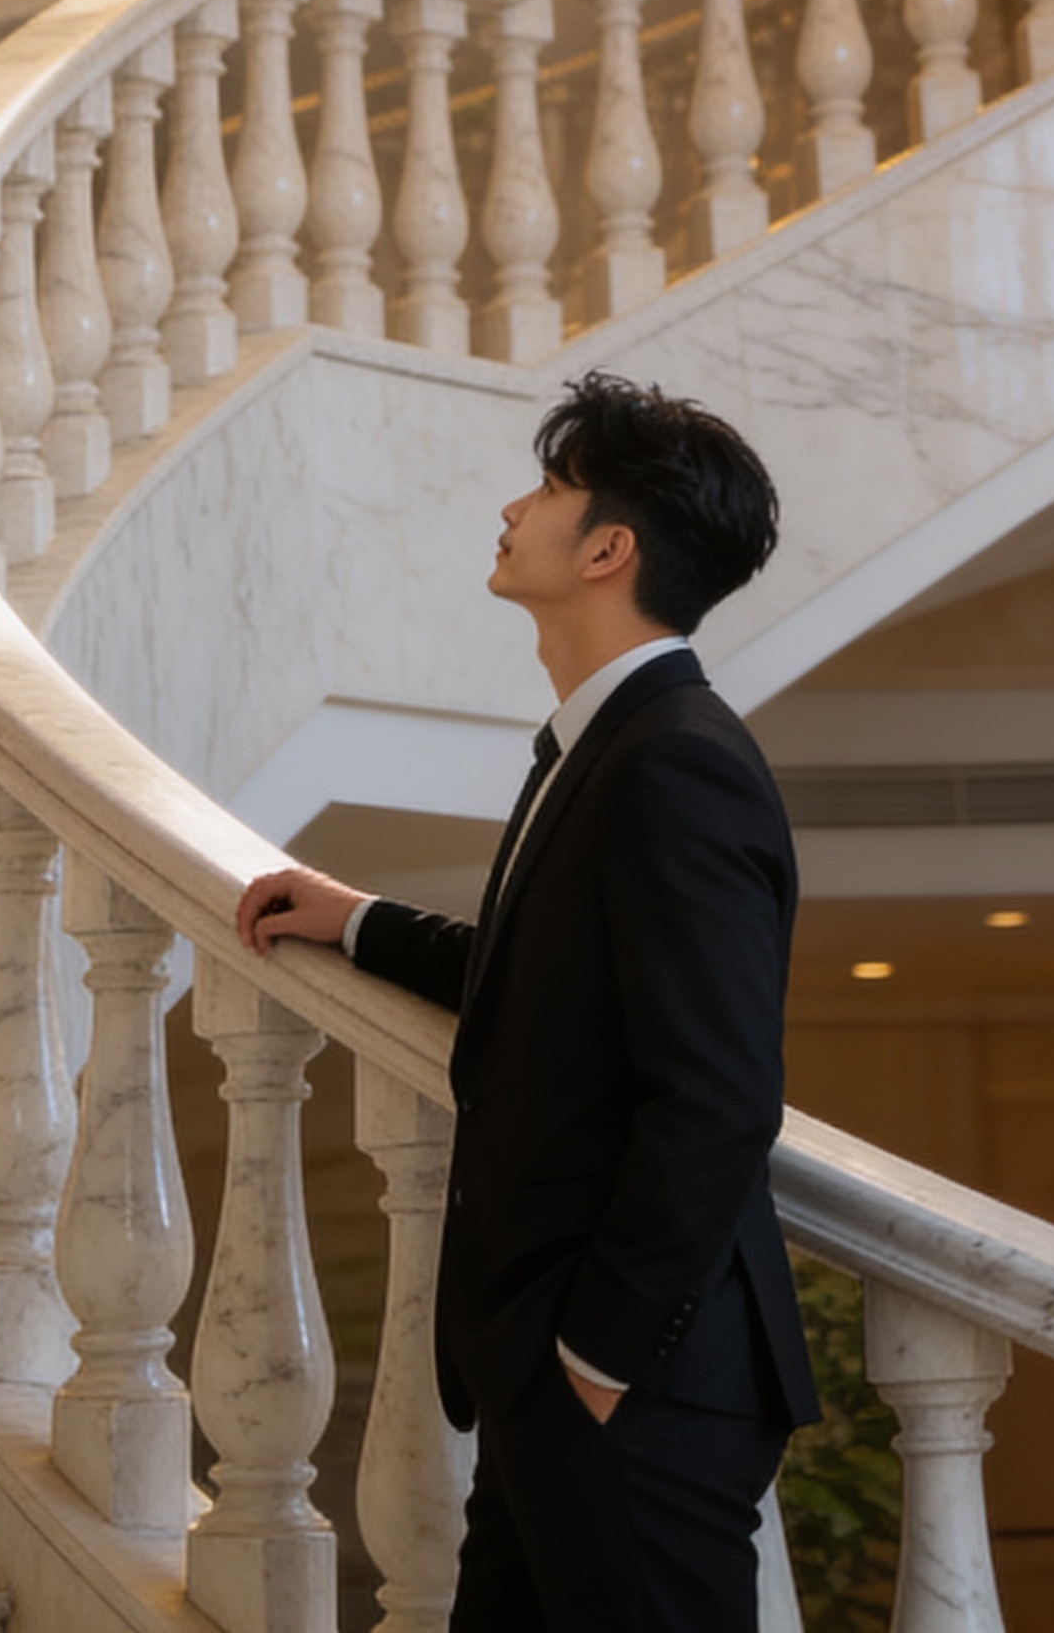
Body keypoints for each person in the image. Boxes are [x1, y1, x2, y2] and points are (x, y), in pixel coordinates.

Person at [235, 370, 815, 1633]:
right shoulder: (608, 744)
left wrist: (600, 1356)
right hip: (551, 1370)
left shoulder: (676, 764)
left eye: (549, 486)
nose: (514, 504)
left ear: (609, 547)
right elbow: (552, 984)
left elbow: (716, 1098)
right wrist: (363, 920)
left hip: (629, 1379)